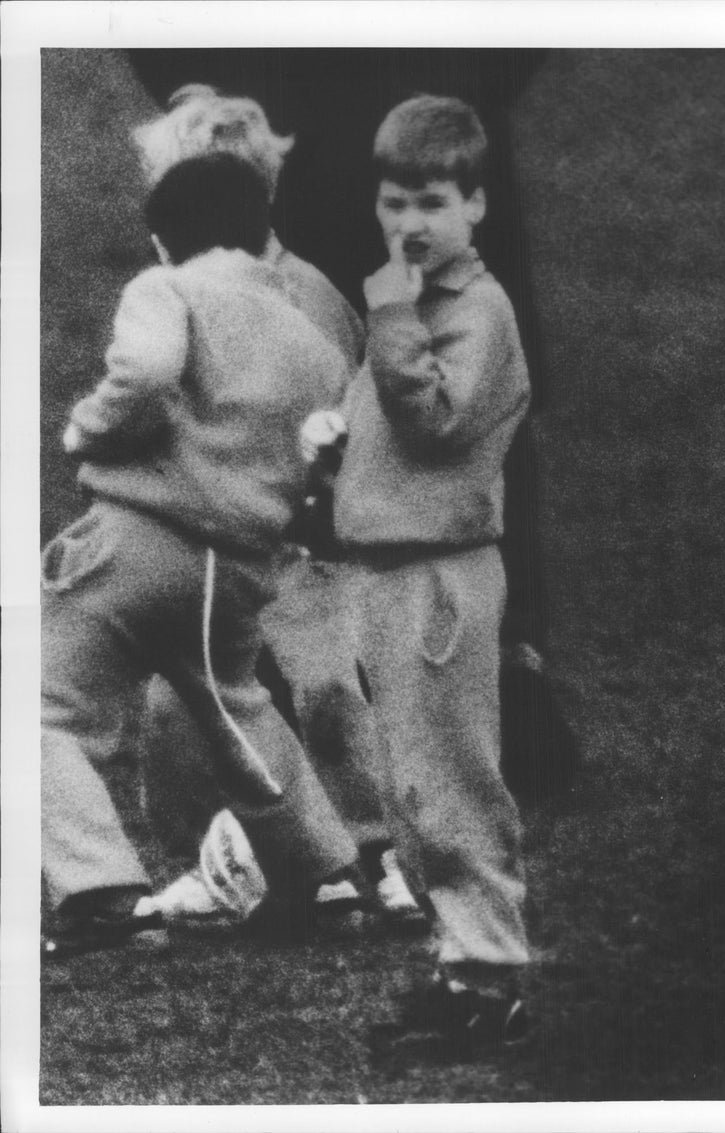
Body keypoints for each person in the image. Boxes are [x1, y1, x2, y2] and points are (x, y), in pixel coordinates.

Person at [40, 152, 367, 959]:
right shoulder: (313, 336)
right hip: (239, 566)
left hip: (144, 538)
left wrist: (88, 426)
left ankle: (100, 889)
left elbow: (148, 370)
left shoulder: (168, 288)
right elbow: (335, 450)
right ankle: (324, 875)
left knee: (36, 706)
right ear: (263, 234)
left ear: (162, 242)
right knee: (235, 712)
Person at [129, 85, 423, 928]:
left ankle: (381, 850)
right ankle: (203, 857)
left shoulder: (310, 297)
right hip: (216, 545)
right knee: (174, 700)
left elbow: (348, 427)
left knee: (329, 686)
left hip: (307, 546)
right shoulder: (164, 300)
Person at [319, 94, 533, 1055]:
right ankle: (460, 963)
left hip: (437, 580)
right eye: (396, 202)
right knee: (411, 788)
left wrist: (395, 314)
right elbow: (388, 439)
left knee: (451, 783)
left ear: (477, 205)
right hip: (383, 574)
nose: (411, 224)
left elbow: (433, 422)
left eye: (434, 202)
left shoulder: (475, 311)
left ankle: (493, 976)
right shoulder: (415, 308)